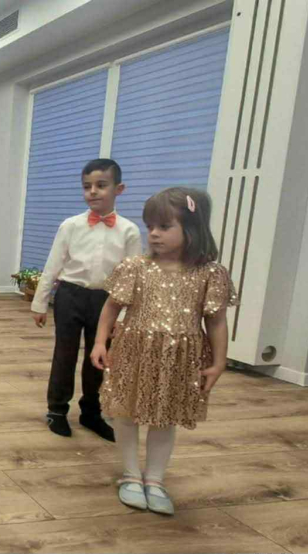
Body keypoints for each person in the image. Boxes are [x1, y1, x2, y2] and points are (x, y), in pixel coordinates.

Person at [90, 187, 236, 516]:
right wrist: (100, 342)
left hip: (179, 361)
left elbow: (216, 321)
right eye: (150, 226)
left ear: (193, 228)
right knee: (125, 413)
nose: (154, 234)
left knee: (165, 417)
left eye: (164, 227)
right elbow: (111, 307)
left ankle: (154, 479)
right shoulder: (135, 267)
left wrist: (219, 362)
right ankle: (130, 474)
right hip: (133, 353)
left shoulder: (210, 274)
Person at [31, 159, 141, 442]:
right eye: (86, 186)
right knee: (64, 354)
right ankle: (57, 409)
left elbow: (132, 278)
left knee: (99, 357)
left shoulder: (129, 231)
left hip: (108, 301)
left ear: (119, 189)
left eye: (101, 185)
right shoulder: (70, 226)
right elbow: (53, 265)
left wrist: (122, 317)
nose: (92, 191)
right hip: (70, 295)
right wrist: (40, 303)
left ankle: (91, 412)